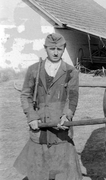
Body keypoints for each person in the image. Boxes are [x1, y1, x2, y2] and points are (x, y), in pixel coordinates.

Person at [13, 33, 82, 180]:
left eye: (59, 48)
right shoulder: (34, 70)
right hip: (39, 128)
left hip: (60, 130)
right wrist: (31, 117)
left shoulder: (71, 72)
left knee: (64, 172)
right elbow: (25, 95)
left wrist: (67, 115)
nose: (56, 52)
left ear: (64, 49)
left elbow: (73, 97)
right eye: (52, 49)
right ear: (45, 49)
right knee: (39, 172)